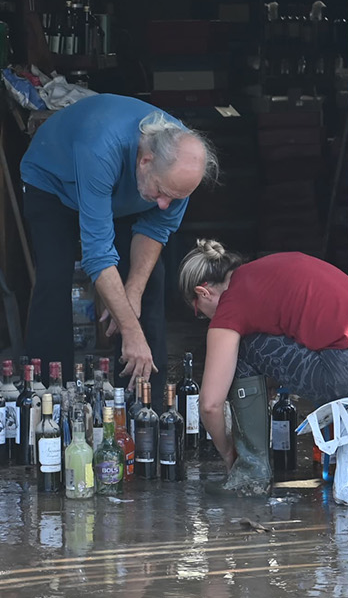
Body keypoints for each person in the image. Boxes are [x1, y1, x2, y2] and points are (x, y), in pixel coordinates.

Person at [179, 241, 348, 495]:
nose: (205, 318)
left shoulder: (232, 303)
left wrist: (229, 451)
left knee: (242, 348)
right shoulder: (272, 269)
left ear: (203, 292)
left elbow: (210, 405)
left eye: (199, 312)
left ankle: (248, 476)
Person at [18, 94, 215, 383]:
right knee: (54, 277)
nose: (164, 204)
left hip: (124, 193)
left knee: (149, 284)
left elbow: (155, 231)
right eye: (162, 193)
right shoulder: (101, 147)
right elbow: (97, 255)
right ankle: (48, 391)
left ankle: (145, 401)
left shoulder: (180, 169)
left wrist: (131, 293)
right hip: (53, 182)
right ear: (146, 160)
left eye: (174, 198)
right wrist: (131, 332)